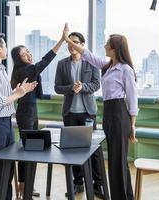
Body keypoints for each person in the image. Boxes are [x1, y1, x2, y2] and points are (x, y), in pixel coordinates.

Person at [63, 24, 138, 200]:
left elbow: (133, 98)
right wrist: (67, 40)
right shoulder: (108, 66)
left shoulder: (126, 69)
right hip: (110, 114)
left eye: (107, 43)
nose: (104, 46)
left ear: (114, 48)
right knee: (114, 160)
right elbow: (87, 54)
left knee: (117, 161)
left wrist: (133, 125)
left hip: (119, 114)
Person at [0, 33, 37, 200]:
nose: (6, 49)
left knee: (9, 167)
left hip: (6, 123)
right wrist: (18, 94)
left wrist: (20, 91)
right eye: (4, 46)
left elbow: (4, 96)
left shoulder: (1, 69)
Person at [10, 26, 65, 198]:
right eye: (24, 53)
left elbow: (37, 92)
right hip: (26, 112)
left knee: (31, 149)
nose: (28, 54)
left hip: (31, 111)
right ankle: (23, 186)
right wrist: (61, 41)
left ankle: (25, 185)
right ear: (19, 59)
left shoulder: (28, 70)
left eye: (28, 51)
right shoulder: (25, 70)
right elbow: (46, 60)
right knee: (27, 149)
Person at [54, 32, 105, 198]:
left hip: (88, 113)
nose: (71, 45)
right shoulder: (62, 64)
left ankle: (98, 185)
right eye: (69, 43)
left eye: (74, 42)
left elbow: (97, 84)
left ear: (82, 44)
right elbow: (57, 87)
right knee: (72, 150)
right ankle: (78, 183)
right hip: (70, 114)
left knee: (94, 150)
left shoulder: (91, 62)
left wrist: (83, 87)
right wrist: (71, 88)